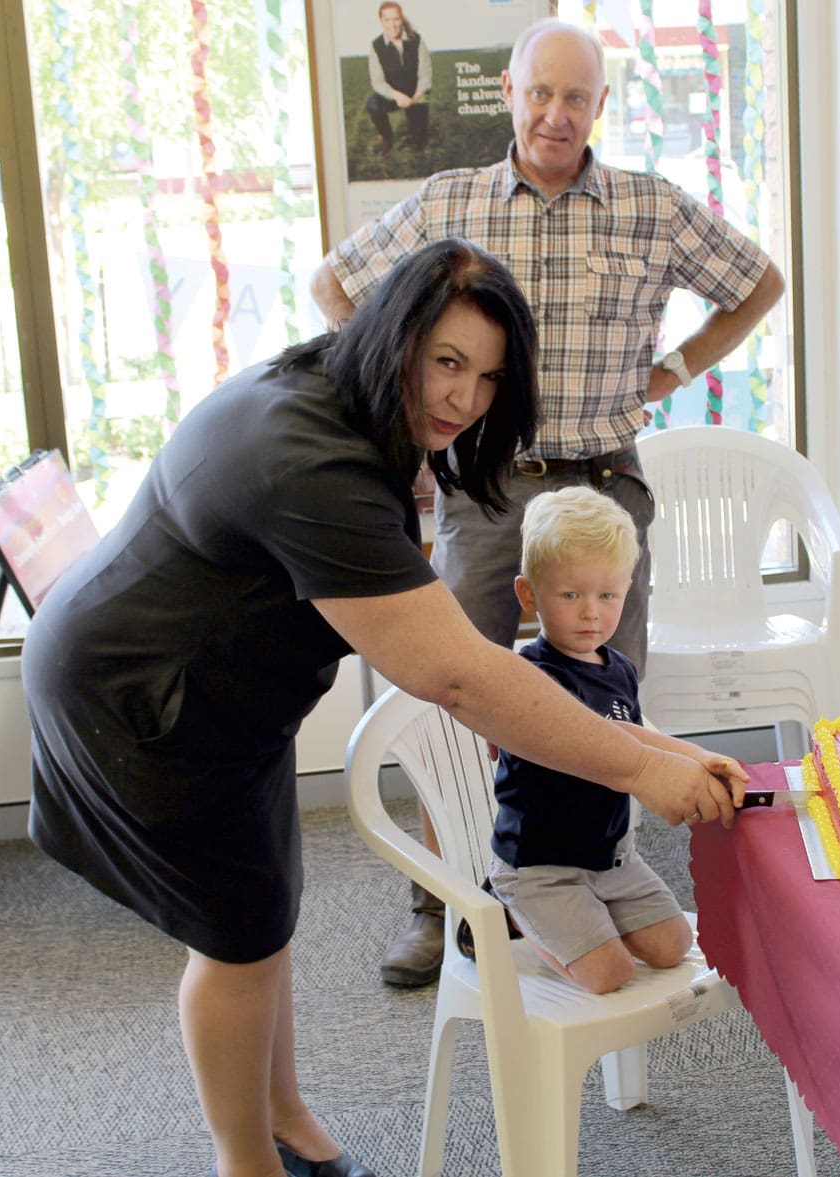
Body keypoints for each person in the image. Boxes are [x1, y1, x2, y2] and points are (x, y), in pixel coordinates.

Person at [21, 239, 743, 1177]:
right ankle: (248, 1164)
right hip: (140, 698)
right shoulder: (308, 459)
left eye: (487, 376)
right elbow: (459, 676)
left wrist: (658, 752)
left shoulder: (344, 393)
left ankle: (288, 1123)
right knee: (236, 941)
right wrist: (648, 767)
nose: (464, 399)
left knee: (266, 914)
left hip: (223, 696)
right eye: (446, 362)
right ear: (393, 334)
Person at [310, 16, 785, 989]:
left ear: (601, 106)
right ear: (510, 94)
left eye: (576, 97)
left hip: (606, 489)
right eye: (540, 93)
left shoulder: (651, 208)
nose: (556, 115)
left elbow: (759, 282)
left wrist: (678, 366)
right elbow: (335, 284)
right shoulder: (454, 202)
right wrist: (413, 387)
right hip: (491, 488)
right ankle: (443, 905)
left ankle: (597, 880)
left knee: (602, 706)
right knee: (450, 696)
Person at [489, 486, 747, 993]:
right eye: (570, 595)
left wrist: (703, 757)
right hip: (543, 865)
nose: (591, 614)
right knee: (611, 976)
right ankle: (514, 912)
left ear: (627, 589)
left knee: (673, 949)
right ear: (528, 595)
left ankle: (589, 915)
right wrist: (693, 756)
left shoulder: (619, 666)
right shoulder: (529, 678)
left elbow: (640, 730)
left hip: (612, 856)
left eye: (607, 596)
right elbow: (613, 738)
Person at [366, 2, 430, 157]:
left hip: (415, 94)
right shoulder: (376, 46)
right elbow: (378, 82)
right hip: (392, 95)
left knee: (418, 144)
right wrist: (397, 96)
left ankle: (417, 137)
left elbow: (425, 75)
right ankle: (387, 138)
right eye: (387, 20)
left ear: (401, 19)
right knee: (372, 104)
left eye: (396, 19)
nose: (392, 25)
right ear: (381, 21)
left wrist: (415, 97)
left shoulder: (417, 41)